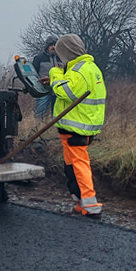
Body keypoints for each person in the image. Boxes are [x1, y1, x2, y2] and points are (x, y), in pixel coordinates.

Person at [48, 33, 107, 218]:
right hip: (81, 125)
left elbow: (66, 92)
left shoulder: (79, 71)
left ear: (66, 52)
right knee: (72, 167)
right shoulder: (89, 67)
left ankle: (91, 207)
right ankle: (81, 204)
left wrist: (54, 73)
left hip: (77, 128)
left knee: (79, 166)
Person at [33, 36, 59, 119]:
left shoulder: (61, 58)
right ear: (47, 46)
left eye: (55, 44)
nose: (53, 47)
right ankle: (37, 128)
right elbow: (33, 74)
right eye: (51, 44)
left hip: (58, 90)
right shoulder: (39, 58)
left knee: (57, 115)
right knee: (40, 113)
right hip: (43, 90)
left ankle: (54, 130)